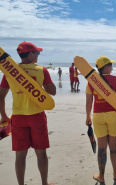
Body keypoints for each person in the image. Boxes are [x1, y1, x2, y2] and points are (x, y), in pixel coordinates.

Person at [0, 41, 56, 185]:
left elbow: (0, 96)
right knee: (41, 153)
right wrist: (39, 86)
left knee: (20, 155)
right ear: (30, 54)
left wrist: (4, 116)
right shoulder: (41, 70)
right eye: (37, 52)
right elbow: (53, 91)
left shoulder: (9, 72)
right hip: (37, 116)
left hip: (18, 118)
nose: (38, 55)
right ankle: (44, 183)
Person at [86, 56, 116, 183]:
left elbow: (89, 101)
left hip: (98, 116)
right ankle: (115, 174)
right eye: (110, 64)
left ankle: (101, 176)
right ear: (106, 67)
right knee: (114, 147)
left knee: (101, 148)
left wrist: (87, 116)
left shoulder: (91, 82)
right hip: (114, 115)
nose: (112, 67)